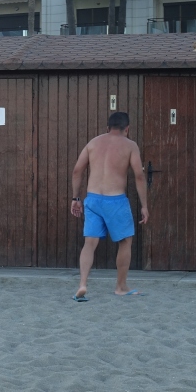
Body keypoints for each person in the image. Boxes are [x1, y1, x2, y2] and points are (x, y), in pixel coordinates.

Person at [69, 111, 150, 301]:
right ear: (127, 129)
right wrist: (144, 205)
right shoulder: (130, 145)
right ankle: (121, 287)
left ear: (107, 128)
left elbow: (77, 171)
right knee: (125, 242)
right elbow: (139, 176)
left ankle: (82, 284)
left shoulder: (93, 143)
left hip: (93, 199)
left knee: (89, 243)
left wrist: (76, 198)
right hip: (116, 201)